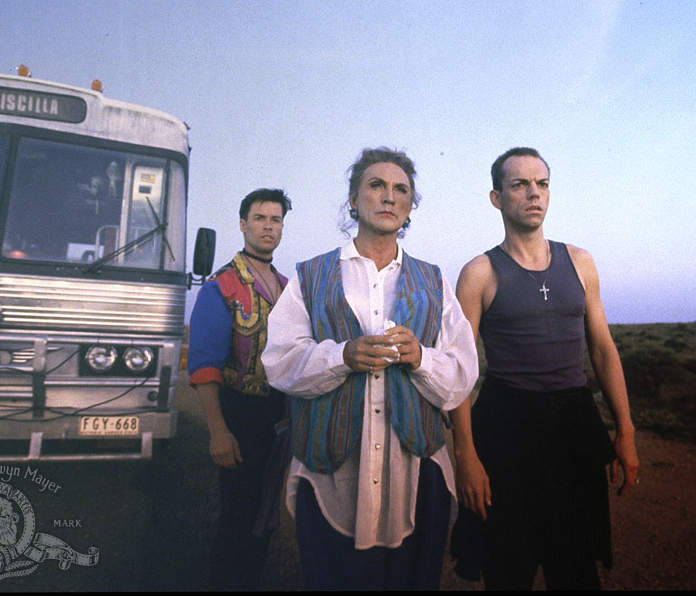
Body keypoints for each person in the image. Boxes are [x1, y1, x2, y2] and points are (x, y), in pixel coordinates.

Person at [261, 147, 478, 590]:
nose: (389, 197)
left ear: (410, 206)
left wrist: (422, 358)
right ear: (353, 200)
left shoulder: (434, 280)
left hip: (414, 474)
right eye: (376, 185)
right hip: (333, 476)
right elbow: (279, 362)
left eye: (401, 189)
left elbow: (462, 373)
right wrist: (341, 356)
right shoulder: (310, 275)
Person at [448, 147, 640, 590]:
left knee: (575, 566)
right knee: (508, 567)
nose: (534, 193)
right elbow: (459, 369)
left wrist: (625, 431)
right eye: (519, 184)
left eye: (542, 183)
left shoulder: (580, 261)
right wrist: (466, 455)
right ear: (497, 198)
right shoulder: (479, 272)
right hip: (507, 428)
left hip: (574, 425)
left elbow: (604, 349)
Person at [186, 188, 293, 591]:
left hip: (277, 415)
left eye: (276, 219)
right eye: (260, 218)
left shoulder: (287, 288)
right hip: (237, 412)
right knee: (238, 513)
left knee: (265, 514)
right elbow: (204, 364)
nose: (268, 226)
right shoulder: (222, 286)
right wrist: (217, 429)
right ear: (243, 224)